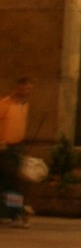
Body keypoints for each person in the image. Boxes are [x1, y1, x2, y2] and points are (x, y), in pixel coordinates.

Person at [0, 77, 34, 224]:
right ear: (17, 87)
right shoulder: (5, 104)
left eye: (28, 88)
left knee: (8, 182)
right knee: (12, 183)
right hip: (5, 148)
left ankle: (9, 212)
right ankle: (16, 213)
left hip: (17, 147)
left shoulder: (25, 105)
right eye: (23, 87)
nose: (26, 90)